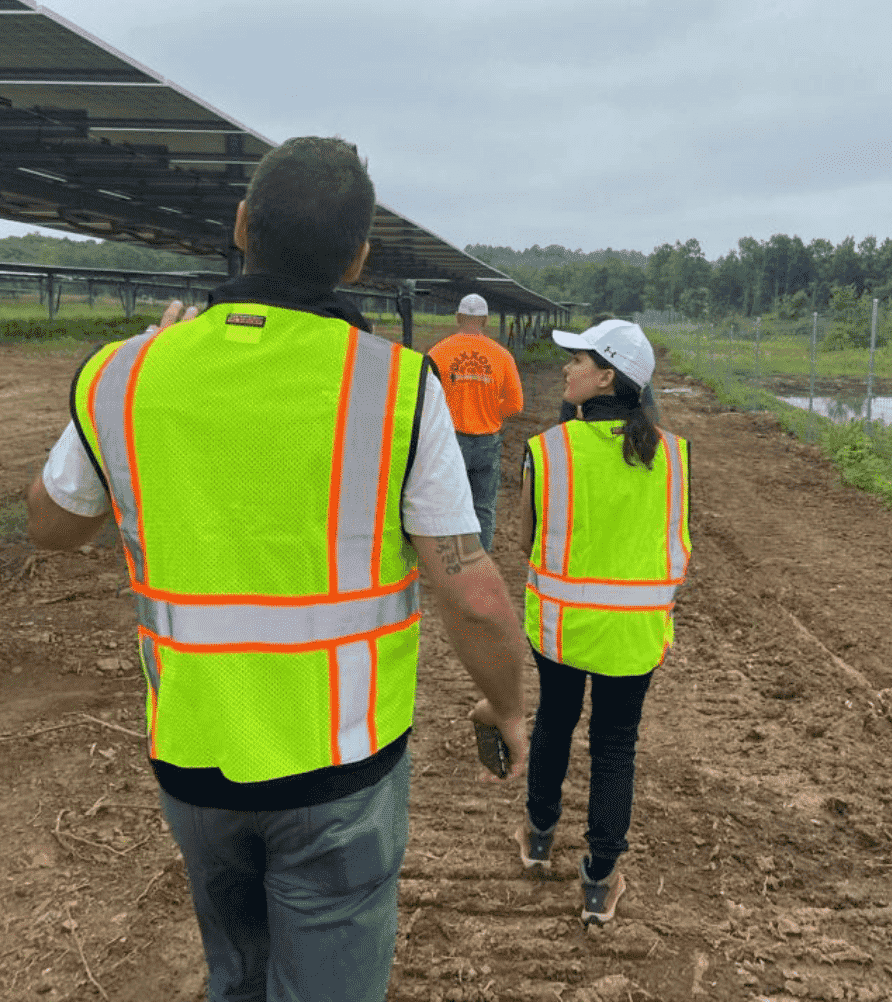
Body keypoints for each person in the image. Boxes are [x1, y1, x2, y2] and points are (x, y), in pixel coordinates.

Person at [25, 136, 529, 1002]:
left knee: (240, 976)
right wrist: (507, 704)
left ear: (241, 226)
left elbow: (50, 527)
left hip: (194, 755)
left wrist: (142, 372)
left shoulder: (127, 373)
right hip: (340, 767)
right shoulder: (399, 388)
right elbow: (473, 597)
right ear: (360, 256)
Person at [514, 319, 691, 925]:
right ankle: (600, 879)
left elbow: (527, 542)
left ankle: (539, 838)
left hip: (563, 628)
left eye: (577, 360)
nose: (567, 370)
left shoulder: (549, 450)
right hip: (634, 633)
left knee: (555, 723)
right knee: (616, 746)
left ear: (605, 376)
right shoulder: (672, 454)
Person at [427, 295, 524, 552]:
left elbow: (425, 398)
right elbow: (516, 404)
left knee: (448, 505)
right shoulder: (502, 356)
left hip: (450, 441)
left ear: (458, 318)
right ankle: (481, 560)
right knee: (483, 507)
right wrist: (491, 411)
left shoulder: (438, 352)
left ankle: (453, 562)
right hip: (488, 442)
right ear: (486, 320)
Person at [555, 311, 660, 425]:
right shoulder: (636, 373)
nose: (565, 368)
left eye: (577, 360)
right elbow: (650, 412)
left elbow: (564, 421)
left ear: (606, 377)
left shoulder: (550, 442)